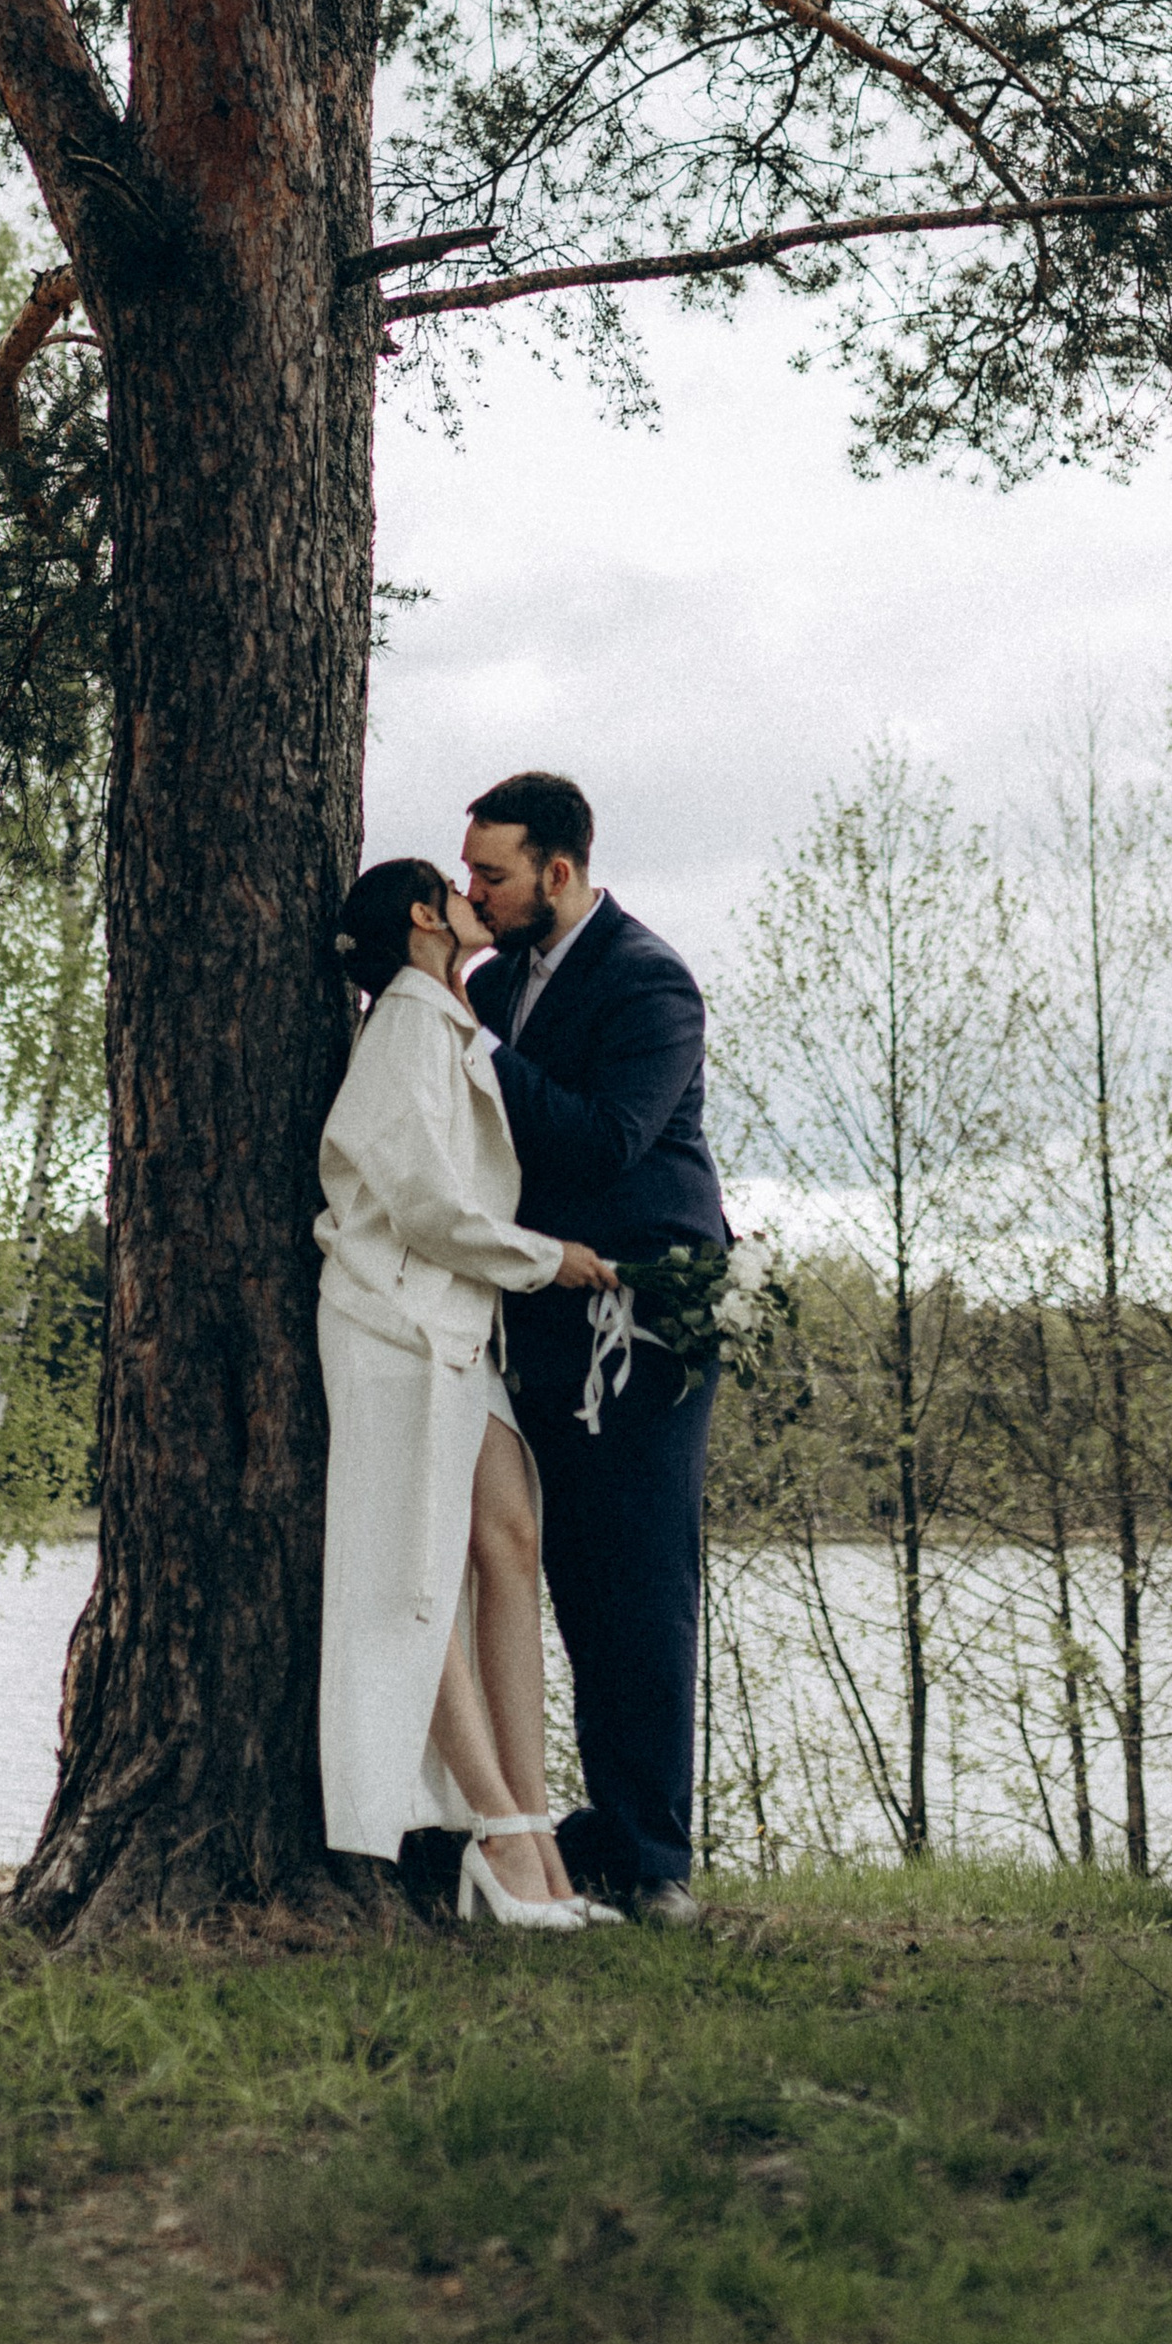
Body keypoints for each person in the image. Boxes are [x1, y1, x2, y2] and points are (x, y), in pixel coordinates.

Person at [312, 856, 624, 1928]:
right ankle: (499, 1837)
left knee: (507, 1545)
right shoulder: (402, 1025)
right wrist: (549, 1259)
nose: (470, 896)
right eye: (455, 885)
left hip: (456, 1327)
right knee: (419, 1572)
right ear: (420, 916)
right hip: (393, 1326)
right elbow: (421, 1203)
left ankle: (532, 1825)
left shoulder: (443, 1020)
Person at [461, 771, 726, 1926]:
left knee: (641, 1586)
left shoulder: (648, 982)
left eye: (493, 873)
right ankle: (600, 1833)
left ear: (556, 871)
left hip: (645, 1326)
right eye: (471, 871)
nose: (476, 890)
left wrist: (457, 1035)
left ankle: (655, 1858)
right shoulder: (499, 977)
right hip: (540, 1322)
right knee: (566, 1581)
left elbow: (606, 1142)